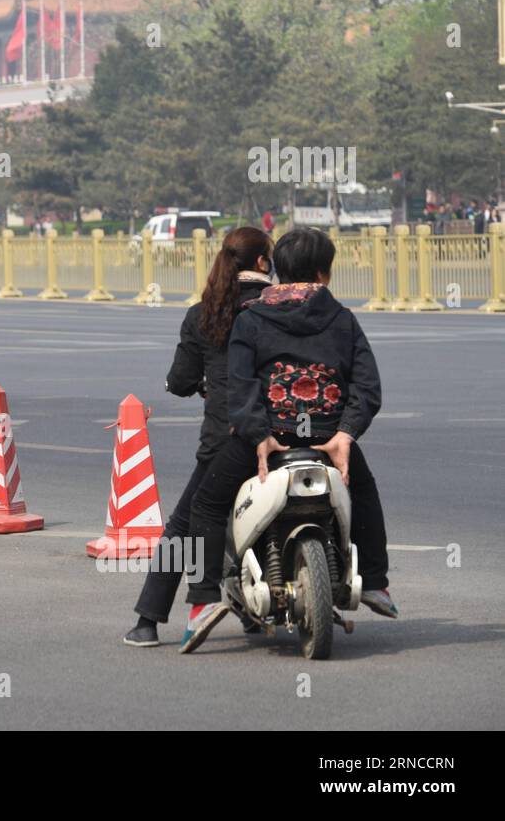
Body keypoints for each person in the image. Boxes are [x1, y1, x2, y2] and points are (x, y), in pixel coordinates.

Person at [178, 228, 396, 654]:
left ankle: (202, 601)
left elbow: (238, 388)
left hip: (267, 440)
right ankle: (375, 583)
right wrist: (345, 434)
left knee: (205, 504)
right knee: (364, 493)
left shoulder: (252, 319)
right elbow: (367, 386)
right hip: (326, 436)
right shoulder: (342, 319)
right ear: (323, 273)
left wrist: (259, 435)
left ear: (278, 268)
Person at [123, 226, 274, 647]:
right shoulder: (279, 306)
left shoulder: (204, 313)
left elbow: (180, 379)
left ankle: (148, 620)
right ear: (262, 263)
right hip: (286, 434)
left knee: (183, 525)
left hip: (226, 438)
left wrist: (201, 384)